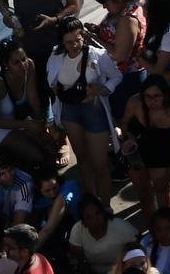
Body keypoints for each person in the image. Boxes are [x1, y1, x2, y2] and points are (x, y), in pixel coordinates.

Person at [47, 16, 120, 199]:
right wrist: (55, 88)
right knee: (83, 159)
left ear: (83, 36)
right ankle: (91, 199)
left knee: (100, 164)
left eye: (77, 40)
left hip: (93, 109)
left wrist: (103, 89)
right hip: (69, 111)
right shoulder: (56, 54)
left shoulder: (97, 54)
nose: (74, 46)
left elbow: (116, 76)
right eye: (68, 42)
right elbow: (51, 80)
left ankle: (105, 204)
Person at [0, 38, 54, 171]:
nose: (23, 65)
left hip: (15, 119)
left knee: (49, 146)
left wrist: (39, 125)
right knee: (37, 155)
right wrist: (27, 125)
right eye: (16, 62)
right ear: (6, 65)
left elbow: (33, 99)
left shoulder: (30, 65)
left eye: (23, 59)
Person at [118, 76, 170, 222]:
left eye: (157, 96)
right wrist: (127, 139)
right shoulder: (135, 102)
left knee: (165, 198)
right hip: (138, 151)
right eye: (148, 97)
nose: (152, 101)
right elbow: (125, 123)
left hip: (162, 151)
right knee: (145, 197)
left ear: (165, 94)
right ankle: (154, 233)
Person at [67, 194, 137, 274]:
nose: (95, 220)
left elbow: (139, 251)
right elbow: (77, 258)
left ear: (104, 213)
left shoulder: (123, 228)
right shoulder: (77, 230)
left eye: (98, 213)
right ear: (84, 223)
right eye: (89, 217)